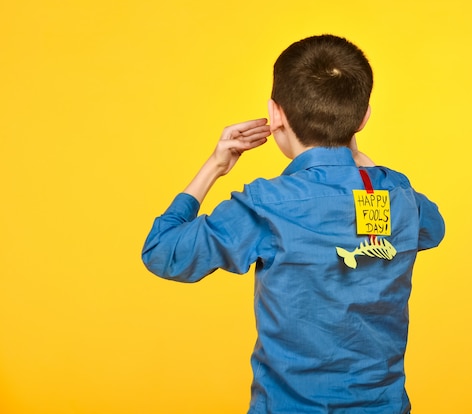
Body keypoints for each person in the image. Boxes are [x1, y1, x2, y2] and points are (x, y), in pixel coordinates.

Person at [142, 34, 445, 413]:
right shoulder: (394, 194)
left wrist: (214, 167)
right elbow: (433, 229)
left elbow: (162, 252)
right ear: (364, 116)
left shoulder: (267, 205)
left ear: (275, 115)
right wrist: (362, 166)